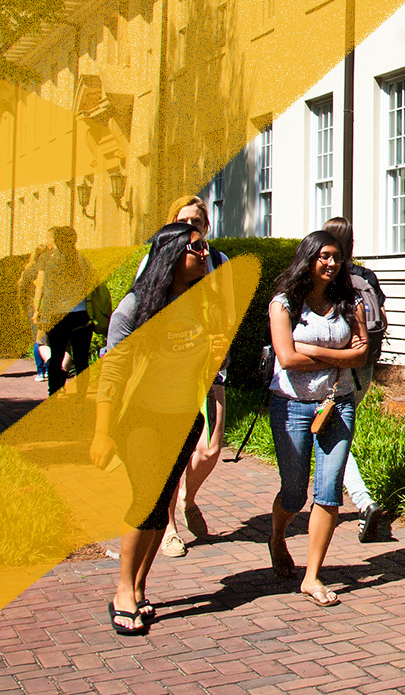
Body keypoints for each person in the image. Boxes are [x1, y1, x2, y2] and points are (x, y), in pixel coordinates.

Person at [89, 222, 223, 636]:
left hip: (183, 417)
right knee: (146, 502)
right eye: (196, 249)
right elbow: (110, 374)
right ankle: (122, 593)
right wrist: (101, 432)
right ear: (171, 255)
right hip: (142, 420)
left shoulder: (202, 304)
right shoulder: (135, 308)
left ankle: (140, 586)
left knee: (161, 504)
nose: (205, 255)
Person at [267, 230, 373, 606]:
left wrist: (312, 349)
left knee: (328, 493)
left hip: (338, 403)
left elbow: (361, 354)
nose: (331, 263)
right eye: (323, 256)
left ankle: (312, 576)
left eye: (337, 257)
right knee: (294, 493)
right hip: (292, 405)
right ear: (308, 259)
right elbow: (287, 359)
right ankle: (278, 536)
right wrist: (337, 354)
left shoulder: (351, 301)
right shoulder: (284, 304)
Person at [151, 196, 232, 559]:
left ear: (207, 225)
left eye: (196, 221)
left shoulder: (218, 262)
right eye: (183, 221)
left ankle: (188, 496)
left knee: (211, 447)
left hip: (211, 366)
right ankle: (168, 525)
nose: (191, 227)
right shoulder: (156, 261)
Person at [321, 215, 391, 543]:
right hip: (364, 364)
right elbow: (383, 319)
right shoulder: (366, 276)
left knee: (332, 435)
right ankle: (340, 493)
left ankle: (362, 502)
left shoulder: (329, 281)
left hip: (335, 367)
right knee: (337, 432)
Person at [19, 226, 98, 397]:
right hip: (81, 314)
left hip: (57, 314)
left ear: (57, 241)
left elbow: (41, 286)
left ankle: (54, 393)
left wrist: (37, 309)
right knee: (81, 358)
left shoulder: (48, 259)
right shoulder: (83, 259)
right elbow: (92, 283)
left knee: (56, 356)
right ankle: (81, 396)